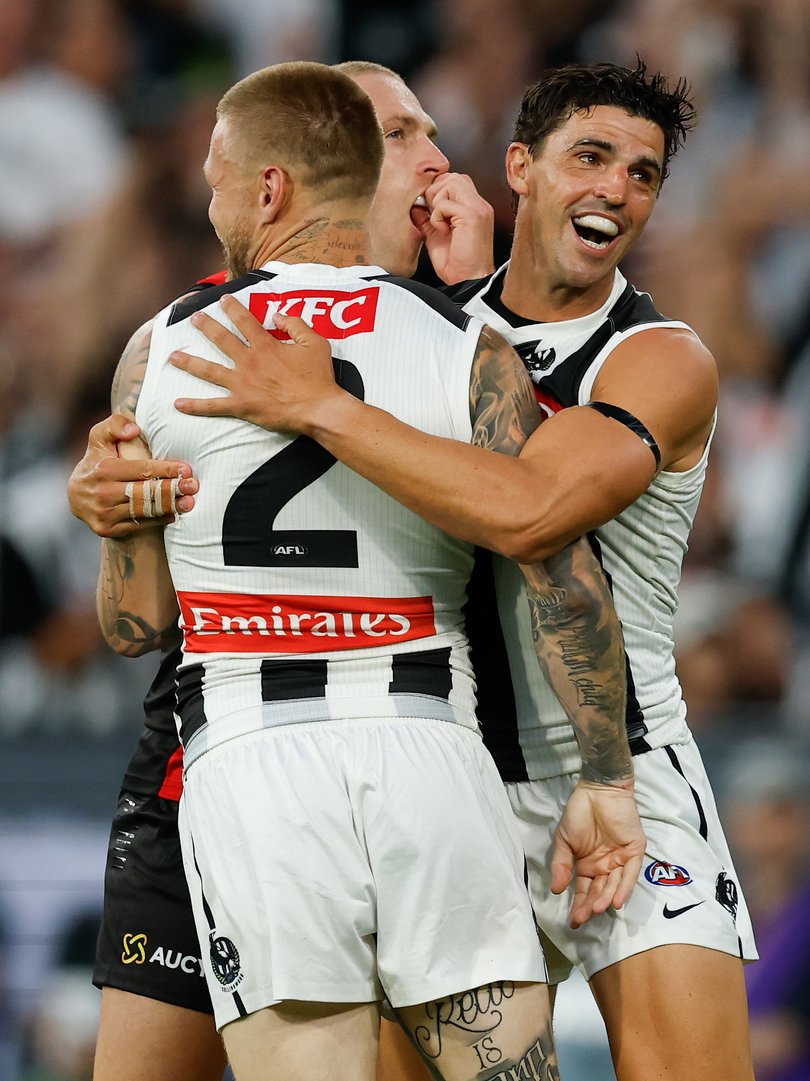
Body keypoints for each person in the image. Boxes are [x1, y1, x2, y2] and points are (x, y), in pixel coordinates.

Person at [173, 60, 758, 1081]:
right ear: (519, 168)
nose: (616, 189)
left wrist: (326, 405)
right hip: (449, 777)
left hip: (621, 775)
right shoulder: (433, 325)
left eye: (644, 173)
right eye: (591, 156)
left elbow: (531, 512)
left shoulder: (659, 357)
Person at [70, 61, 498, 1081]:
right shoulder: (189, 341)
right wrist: (115, 519)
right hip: (208, 760)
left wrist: (482, 300)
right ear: (319, 169)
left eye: (433, 131)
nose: (438, 160)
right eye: (398, 134)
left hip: (402, 756)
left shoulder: (463, 335)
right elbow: (134, 621)